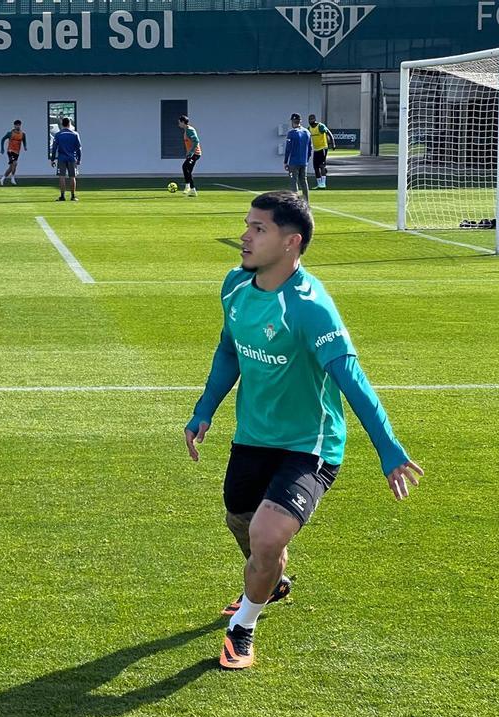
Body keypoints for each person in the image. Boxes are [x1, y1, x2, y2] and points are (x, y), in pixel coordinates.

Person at [185, 191, 423, 669]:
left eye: (258, 229)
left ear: (291, 242)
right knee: (243, 524)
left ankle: (243, 627)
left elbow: (350, 379)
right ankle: (271, 581)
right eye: (246, 225)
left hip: (310, 445)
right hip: (252, 436)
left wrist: (389, 448)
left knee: (268, 536)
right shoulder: (235, 287)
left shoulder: (312, 308)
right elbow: (229, 351)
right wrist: (205, 407)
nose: (244, 236)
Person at [50, 117, 81, 202]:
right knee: (72, 177)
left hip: (62, 158)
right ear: (69, 124)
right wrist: (79, 159)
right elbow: (79, 148)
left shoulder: (58, 134)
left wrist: (52, 159)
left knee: (61, 177)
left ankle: (62, 196)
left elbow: (54, 148)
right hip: (72, 158)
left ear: (62, 124)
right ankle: (73, 196)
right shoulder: (75, 134)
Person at [284, 113, 312, 204]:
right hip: (303, 161)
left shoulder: (291, 133)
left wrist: (285, 161)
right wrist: (306, 160)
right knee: (304, 181)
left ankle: (295, 202)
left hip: (294, 161)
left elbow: (288, 149)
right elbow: (310, 149)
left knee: (294, 182)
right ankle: (306, 201)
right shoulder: (307, 132)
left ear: (293, 121)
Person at [308, 114, 336, 189]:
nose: (310, 121)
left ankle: (323, 183)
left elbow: (329, 133)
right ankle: (319, 184)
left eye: (312, 119)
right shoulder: (309, 128)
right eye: (309, 119)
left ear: (314, 119)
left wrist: (333, 143)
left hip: (323, 148)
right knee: (315, 167)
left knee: (321, 166)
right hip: (316, 149)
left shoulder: (320, 126)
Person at [178, 115, 201, 197]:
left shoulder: (190, 130)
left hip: (195, 154)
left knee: (185, 167)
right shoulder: (186, 130)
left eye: (179, 122)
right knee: (188, 171)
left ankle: (187, 186)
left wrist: (191, 152)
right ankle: (193, 190)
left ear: (183, 122)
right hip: (192, 153)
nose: (178, 124)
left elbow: (196, 141)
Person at [0, 119, 26, 185]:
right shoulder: (10, 133)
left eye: (19, 125)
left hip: (17, 152)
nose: (18, 126)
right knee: (15, 163)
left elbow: (24, 140)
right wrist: (2, 148)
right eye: (16, 125)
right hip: (10, 150)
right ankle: (12, 178)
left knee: (11, 167)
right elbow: (3, 139)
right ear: (14, 126)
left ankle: (2, 178)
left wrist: (25, 146)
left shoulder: (22, 134)